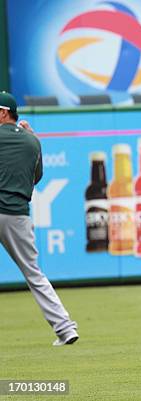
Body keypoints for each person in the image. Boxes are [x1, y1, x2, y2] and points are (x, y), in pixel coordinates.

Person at [0, 91, 79, 346]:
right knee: (34, 274)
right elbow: (36, 177)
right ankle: (65, 329)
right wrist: (30, 136)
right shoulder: (33, 141)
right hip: (16, 215)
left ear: (3, 113)